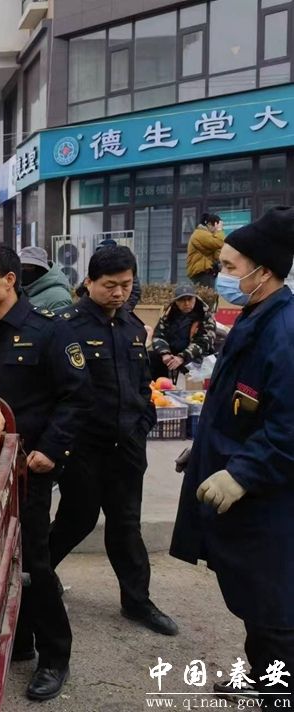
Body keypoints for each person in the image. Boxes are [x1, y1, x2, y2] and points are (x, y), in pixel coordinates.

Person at [170, 207, 294, 699]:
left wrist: (240, 473)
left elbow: (287, 427)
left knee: (275, 611)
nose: (219, 276)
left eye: (228, 267)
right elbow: (236, 406)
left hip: (271, 502)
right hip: (249, 495)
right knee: (255, 603)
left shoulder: (284, 333)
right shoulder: (256, 317)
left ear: (263, 271)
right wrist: (203, 451)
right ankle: (265, 681)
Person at [0, 243, 91, 702]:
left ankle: (55, 656)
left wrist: (52, 450)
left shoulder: (49, 331)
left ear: (9, 280)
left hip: (27, 470)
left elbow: (77, 396)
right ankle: (19, 640)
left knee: (34, 563)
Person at [49, 246, 179, 638]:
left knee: (126, 524)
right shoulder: (66, 327)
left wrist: (144, 421)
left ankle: (137, 601)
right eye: (110, 285)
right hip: (84, 448)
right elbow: (56, 390)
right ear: (89, 282)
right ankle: (35, 576)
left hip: (128, 445)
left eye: (126, 284)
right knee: (77, 518)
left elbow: (142, 383)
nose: (119, 292)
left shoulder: (132, 326)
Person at [149, 285, 216, 380]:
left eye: (190, 299)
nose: (186, 303)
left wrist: (182, 357)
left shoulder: (205, 315)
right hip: (172, 354)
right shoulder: (169, 315)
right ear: (176, 302)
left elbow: (204, 342)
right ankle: (158, 386)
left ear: (195, 299)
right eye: (182, 300)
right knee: (150, 357)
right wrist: (164, 353)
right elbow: (158, 335)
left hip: (195, 356)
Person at [19, 246, 73, 311]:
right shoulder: (22, 292)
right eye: (19, 266)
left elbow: (61, 318)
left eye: (28, 266)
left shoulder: (58, 296)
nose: (22, 270)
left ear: (42, 269)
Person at [186, 213, 225, 289]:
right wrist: (219, 231)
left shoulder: (208, 235)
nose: (219, 229)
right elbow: (219, 242)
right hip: (201, 272)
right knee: (207, 295)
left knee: (210, 295)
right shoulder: (200, 234)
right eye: (217, 226)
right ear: (209, 224)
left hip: (207, 272)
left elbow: (217, 254)